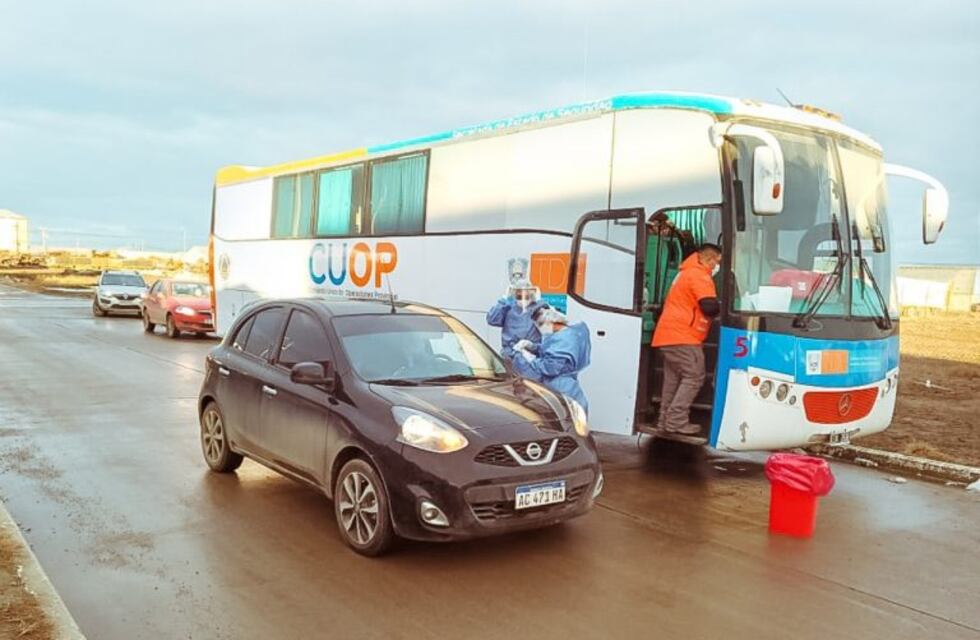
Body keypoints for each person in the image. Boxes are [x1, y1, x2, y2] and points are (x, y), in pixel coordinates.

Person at [652, 244, 723, 435]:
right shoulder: (700, 275)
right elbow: (709, 306)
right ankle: (676, 421)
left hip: (668, 335)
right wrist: (723, 310)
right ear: (709, 260)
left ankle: (664, 421)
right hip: (684, 336)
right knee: (694, 377)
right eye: (717, 262)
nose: (717, 267)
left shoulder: (684, 273)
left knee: (672, 380)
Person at [512, 307, 591, 413]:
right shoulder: (567, 333)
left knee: (563, 420)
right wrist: (533, 347)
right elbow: (550, 350)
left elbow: (550, 368)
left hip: (560, 389)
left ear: (552, 321)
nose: (540, 328)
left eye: (540, 324)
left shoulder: (565, 339)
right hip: (570, 389)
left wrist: (531, 359)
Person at [486, 280, 548, 361]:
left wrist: (540, 302)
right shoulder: (508, 307)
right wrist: (504, 298)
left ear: (531, 293)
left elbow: (549, 324)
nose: (522, 297)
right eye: (519, 294)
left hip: (531, 358)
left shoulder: (537, 308)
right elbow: (492, 319)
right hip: (510, 357)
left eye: (526, 294)